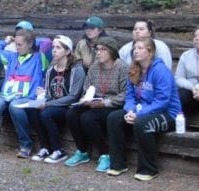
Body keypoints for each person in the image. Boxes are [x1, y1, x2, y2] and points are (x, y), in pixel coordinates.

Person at [106, 37, 181, 181]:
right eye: (134, 48)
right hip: (142, 112)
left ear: (150, 52)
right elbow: (129, 97)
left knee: (142, 124)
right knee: (114, 118)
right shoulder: (134, 69)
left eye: (140, 48)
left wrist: (138, 114)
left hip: (169, 115)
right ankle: (118, 164)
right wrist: (131, 111)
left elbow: (162, 101)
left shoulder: (161, 70)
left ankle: (149, 169)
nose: (136, 51)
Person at [0, 21, 48, 156]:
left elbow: (46, 43)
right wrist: (6, 41)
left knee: (15, 106)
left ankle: (26, 145)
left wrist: (31, 39)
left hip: (27, 98)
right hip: (8, 96)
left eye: (20, 45)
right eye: (16, 44)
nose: (17, 47)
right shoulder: (11, 57)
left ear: (30, 44)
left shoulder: (39, 58)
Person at [64, 36, 128, 171]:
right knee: (72, 113)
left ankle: (105, 154)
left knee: (88, 118)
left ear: (112, 51)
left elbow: (125, 94)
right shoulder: (94, 66)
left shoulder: (122, 67)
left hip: (113, 105)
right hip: (94, 102)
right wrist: (86, 99)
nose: (98, 53)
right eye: (97, 49)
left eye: (103, 50)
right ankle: (82, 151)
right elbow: (87, 86)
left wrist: (105, 103)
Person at [27, 35, 86, 163]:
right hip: (52, 103)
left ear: (68, 51)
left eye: (58, 48)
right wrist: (42, 96)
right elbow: (49, 93)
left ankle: (58, 150)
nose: (54, 50)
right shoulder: (50, 70)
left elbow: (73, 97)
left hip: (68, 107)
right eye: (53, 47)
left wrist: (47, 104)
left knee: (46, 113)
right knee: (31, 110)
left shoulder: (77, 70)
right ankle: (44, 147)